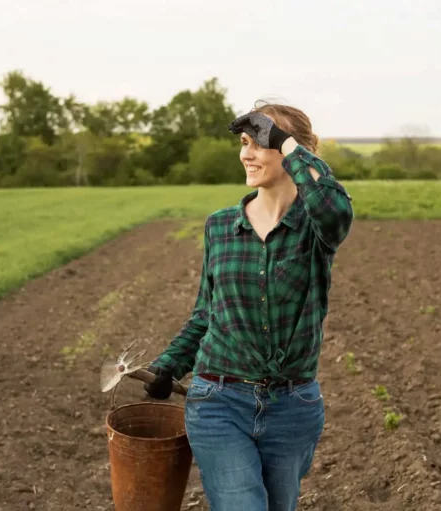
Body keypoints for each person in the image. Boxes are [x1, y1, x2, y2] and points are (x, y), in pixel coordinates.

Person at [144, 101, 354, 511]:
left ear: (294, 149)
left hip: (293, 406)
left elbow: (334, 206)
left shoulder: (317, 227)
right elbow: (207, 313)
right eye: (244, 142)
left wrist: (287, 143)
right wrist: (168, 366)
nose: (247, 153)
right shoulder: (221, 226)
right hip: (218, 401)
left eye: (261, 142)